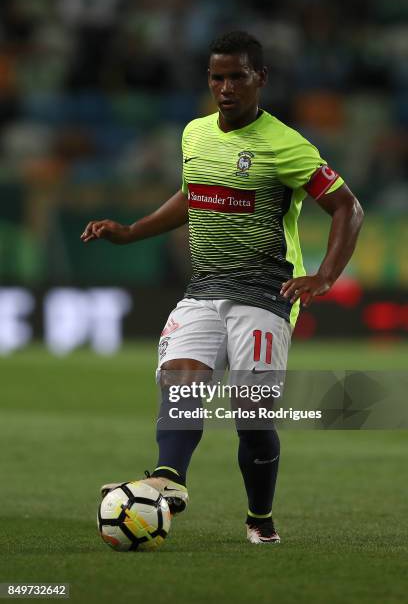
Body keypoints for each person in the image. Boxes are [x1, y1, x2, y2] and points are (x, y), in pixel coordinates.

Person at [81, 31, 364, 544]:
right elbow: (192, 195)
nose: (226, 87)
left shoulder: (287, 146)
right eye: (217, 77)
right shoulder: (194, 133)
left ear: (261, 79)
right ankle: (169, 479)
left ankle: (260, 519)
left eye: (238, 76)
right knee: (180, 381)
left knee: (252, 420)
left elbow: (347, 207)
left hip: (265, 291)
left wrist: (324, 276)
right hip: (205, 285)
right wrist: (130, 231)